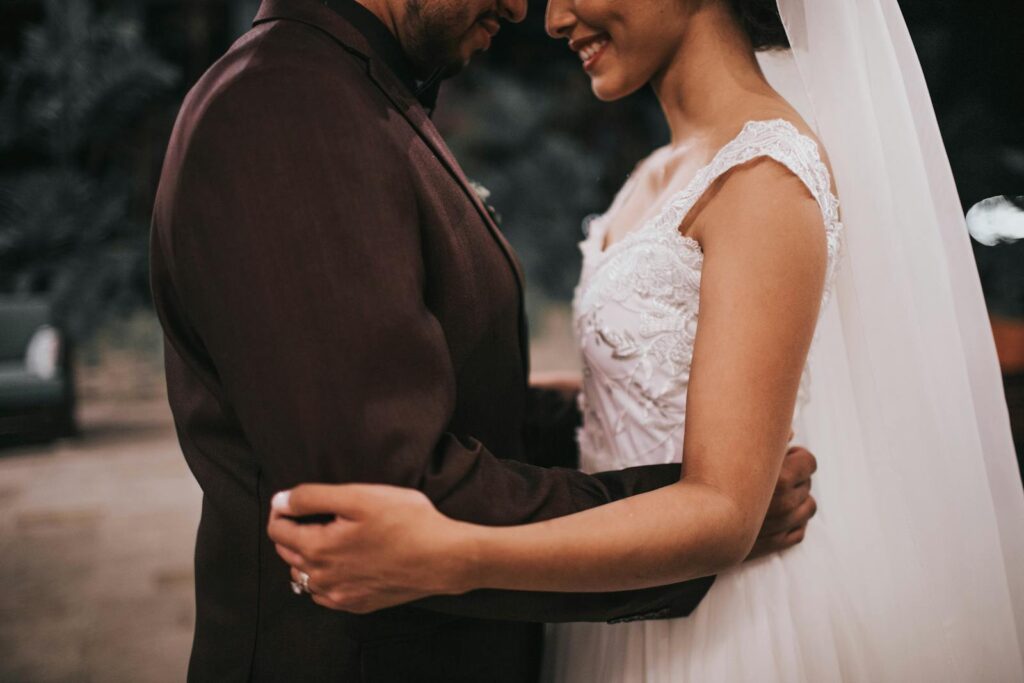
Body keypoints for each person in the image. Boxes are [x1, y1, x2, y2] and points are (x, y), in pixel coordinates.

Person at [268, 0, 1024, 680]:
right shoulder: (663, 170)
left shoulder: (764, 177)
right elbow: (645, 386)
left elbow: (727, 514)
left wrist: (448, 555)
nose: (555, 20)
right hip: (622, 603)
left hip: (725, 629)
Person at [149, 0, 820, 680]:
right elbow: (389, 489)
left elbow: (420, 394)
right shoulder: (288, 109)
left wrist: (677, 454)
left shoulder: (349, 91)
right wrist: (694, 513)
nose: (529, 10)